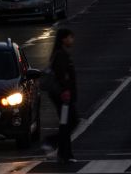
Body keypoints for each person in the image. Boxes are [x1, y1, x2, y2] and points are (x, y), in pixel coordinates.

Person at [46, 28, 79, 163]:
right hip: (63, 97)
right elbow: (62, 76)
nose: (72, 40)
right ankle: (54, 144)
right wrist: (66, 91)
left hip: (64, 96)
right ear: (63, 39)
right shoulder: (60, 55)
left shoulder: (61, 54)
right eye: (70, 37)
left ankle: (63, 153)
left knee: (66, 123)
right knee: (70, 122)